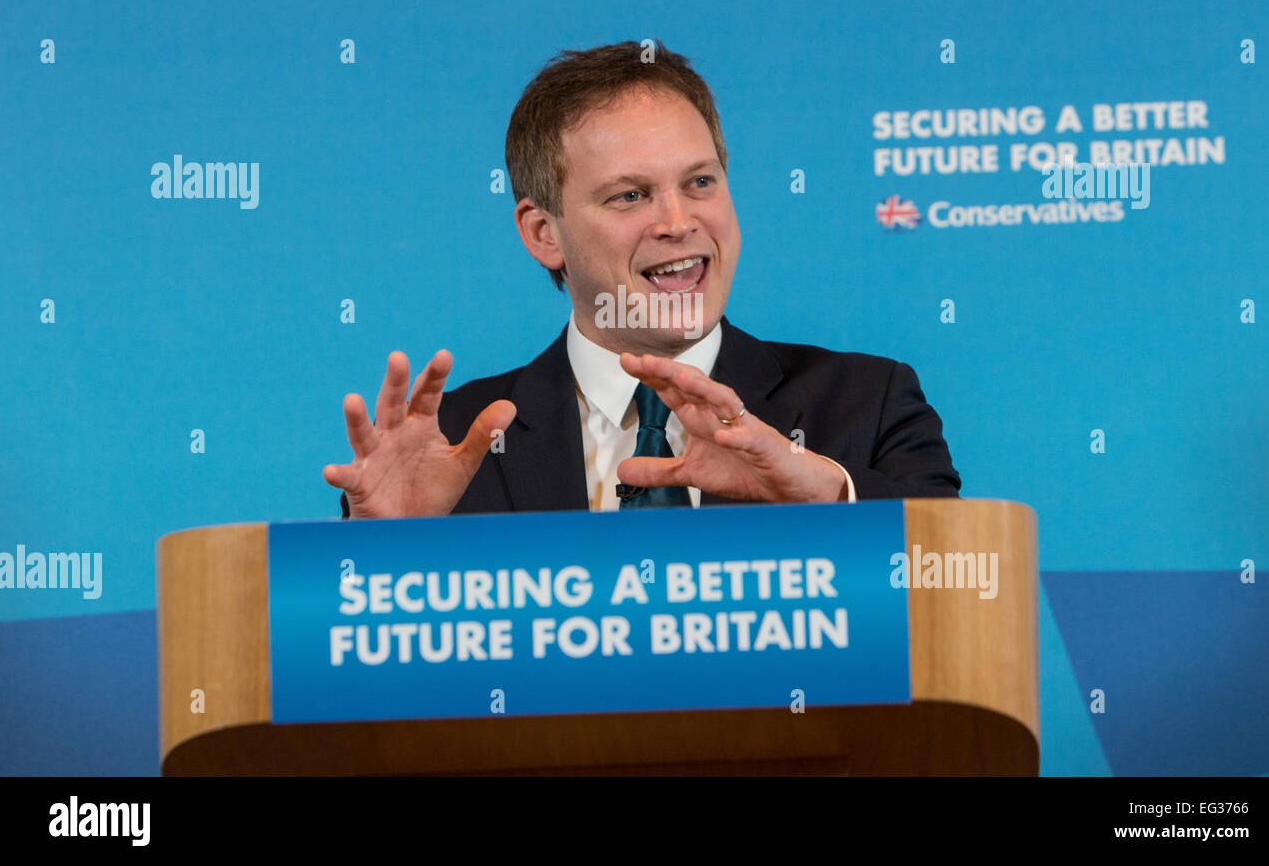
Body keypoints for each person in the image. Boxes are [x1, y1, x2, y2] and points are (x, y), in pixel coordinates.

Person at [323, 41, 960, 519]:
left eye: (700, 182)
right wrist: (387, 557)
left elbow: (961, 593)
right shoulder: (455, 443)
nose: (679, 221)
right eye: (631, 195)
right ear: (545, 234)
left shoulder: (866, 404)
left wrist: (827, 495)